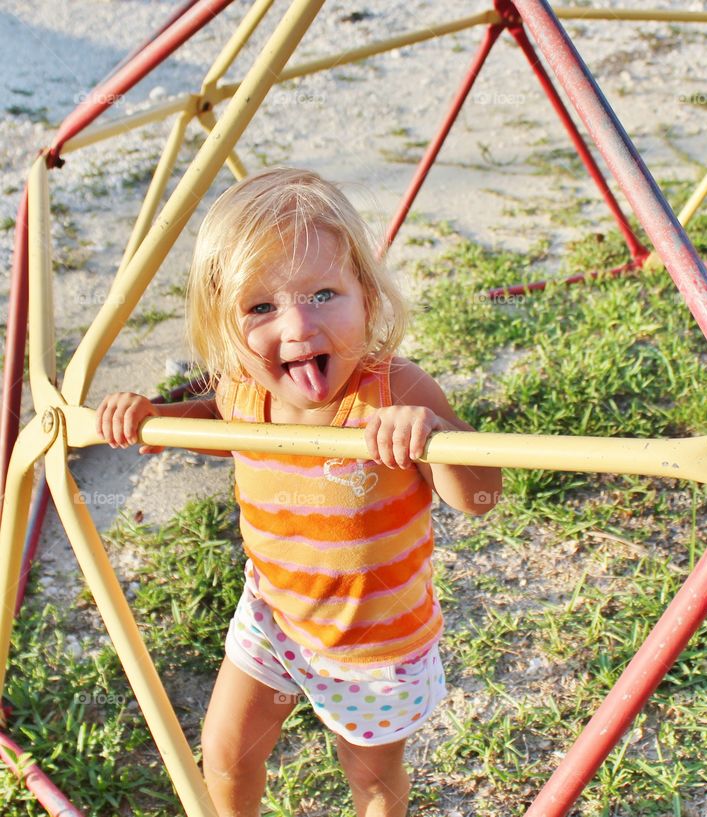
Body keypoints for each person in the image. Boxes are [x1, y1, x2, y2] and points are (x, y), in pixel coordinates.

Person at [95, 167, 503, 817]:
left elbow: (480, 495)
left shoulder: (396, 392)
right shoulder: (243, 389)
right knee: (226, 754)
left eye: (322, 294)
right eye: (260, 307)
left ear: (367, 296)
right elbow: (221, 424)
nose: (296, 328)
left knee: (371, 779)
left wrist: (434, 437)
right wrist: (155, 421)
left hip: (375, 642)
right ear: (225, 326)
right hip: (274, 615)